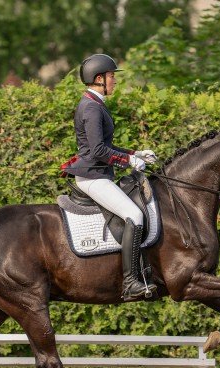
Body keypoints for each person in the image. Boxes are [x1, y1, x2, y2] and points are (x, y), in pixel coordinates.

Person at [61, 53, 158, 301]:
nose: (115, 81)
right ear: (99, 78)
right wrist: (128, 161)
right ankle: (130, 283)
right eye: (112, 76)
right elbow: (98, 151)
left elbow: (105, 145)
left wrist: (136, 153)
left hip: (98, 173)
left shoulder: (95, 103)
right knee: (134, 216)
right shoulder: (91, 107)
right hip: (93, 177)